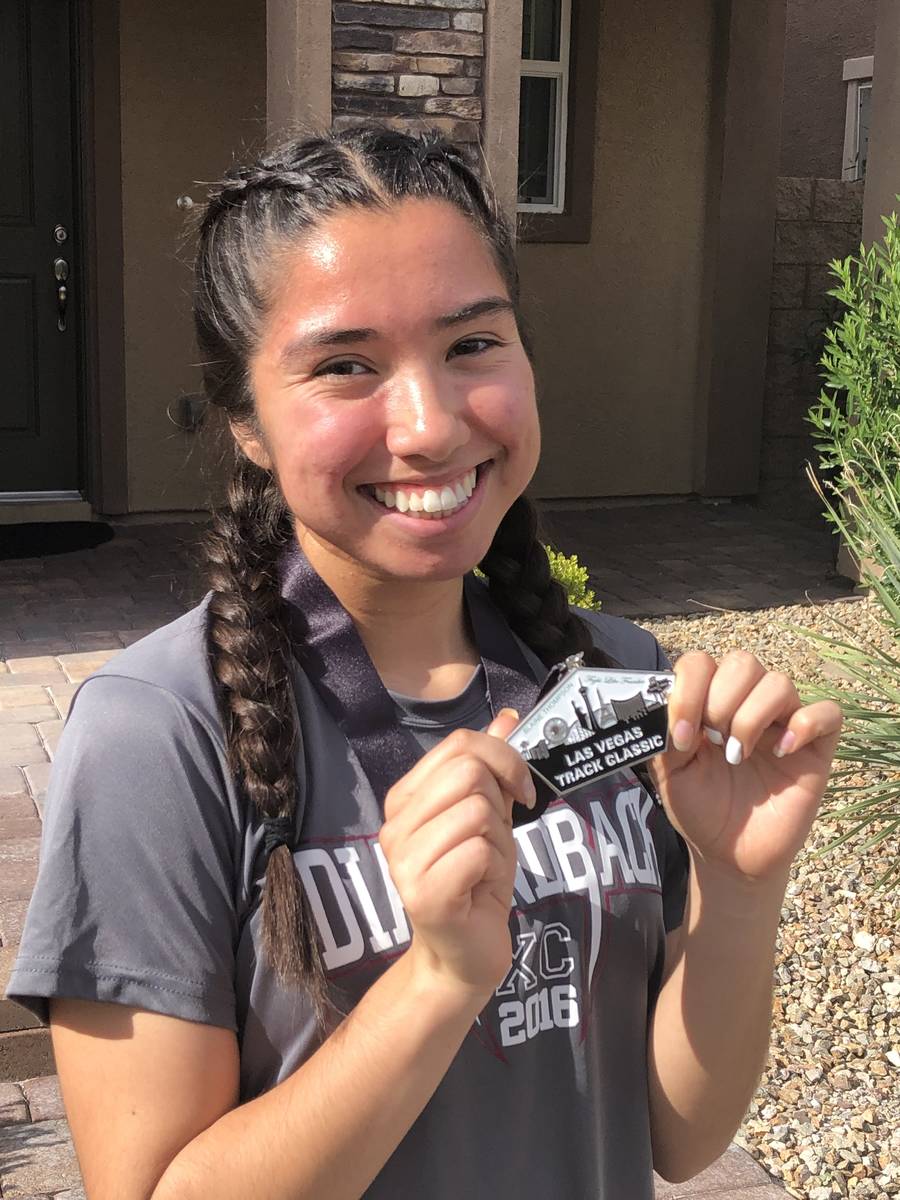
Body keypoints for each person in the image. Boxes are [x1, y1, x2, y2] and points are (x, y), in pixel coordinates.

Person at [5, 125, 842, 1200]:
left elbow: (676, 1138)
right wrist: (438, 977)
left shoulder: (617, 684)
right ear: (248, 423)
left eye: (473, 346)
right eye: (345, 365)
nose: (430, 426)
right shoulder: (157, 734)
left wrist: (734, 891)